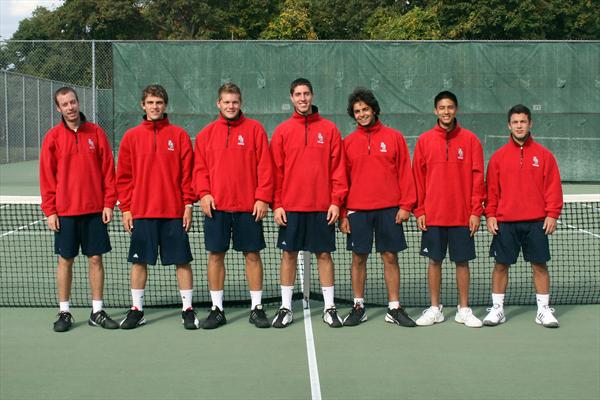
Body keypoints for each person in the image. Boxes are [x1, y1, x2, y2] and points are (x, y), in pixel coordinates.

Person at [116, 84, 198, 330]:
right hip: (142, 213)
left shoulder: (179, 135)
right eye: (150, 102)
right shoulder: (131, 137)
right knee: (139, 263)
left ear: (165, 105)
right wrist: (126, 209)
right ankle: (137, 310)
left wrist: (188, 204)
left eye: (159, 102)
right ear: (143, 105)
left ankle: (187, 309)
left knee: (182, 261)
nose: (155, 107)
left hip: (173, 212)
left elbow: (187, 175)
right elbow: (124, 177)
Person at [193, 83, 274, 329]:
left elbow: (265, 166)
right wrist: (204, 193)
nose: (231, 106)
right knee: (216, 256)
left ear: (241, 103)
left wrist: (262, 197)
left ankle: (257, 308)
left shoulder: (255, 130)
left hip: (248, 208)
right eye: (226, 102)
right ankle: (217, 309)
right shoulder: (206, 134)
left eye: (235, 102)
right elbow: (199, 169)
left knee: (252, 255)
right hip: (216, 208)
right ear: (218, 104)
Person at [270, 78, 348, 328]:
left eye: (306, 94)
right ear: (291, 98)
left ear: (312, 96)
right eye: (298, 94)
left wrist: (336, 202)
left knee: (324, 255)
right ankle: (285, 307)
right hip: (291, 208)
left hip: (322, 208)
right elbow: (276, 171)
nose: (302, 99)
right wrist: (278, 204)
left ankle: (329, 307)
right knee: (288, 254)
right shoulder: (282, 131)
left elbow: (338, 170)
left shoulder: (330, 130)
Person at [39, 86, 119, 332]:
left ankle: (97, 311)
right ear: (58, 108)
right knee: (66, 260)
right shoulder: (52, 137)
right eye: (65, 104)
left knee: (96, 259)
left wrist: (108, 203)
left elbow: (108, 171)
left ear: (78, 102)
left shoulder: (96, 132)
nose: (70, 107)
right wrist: (50, 210)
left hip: (95, 210)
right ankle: (64, 312)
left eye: (73, 102)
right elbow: (47, 176)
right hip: (65, 212)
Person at [339, 88, 417, 327]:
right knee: (358, 259)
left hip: (389, 209)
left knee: (390, 257)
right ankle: (358, 306)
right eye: (357, 111)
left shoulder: (394, 137)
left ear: (373, 109)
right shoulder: (348, 142)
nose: (362, 114)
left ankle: (394, 308)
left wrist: (406, 205)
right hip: (358, 211)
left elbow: (405, 173)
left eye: (365, 109)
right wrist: (343, 213)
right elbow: (343, 179)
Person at [483, 104, 563, 328]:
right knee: (500, 266)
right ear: (509, 125)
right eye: (515, 122)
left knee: (540, 265)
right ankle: (497, 310)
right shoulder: (498, 157)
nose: (519, 125)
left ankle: (543, 311)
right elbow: (492, 191)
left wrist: (552, 214)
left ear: (530, 124)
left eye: (523, 121)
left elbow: (553, 187)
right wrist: (490, 214)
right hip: (505, 223)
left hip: (536, 222)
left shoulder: (544, 155)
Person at [412, 91, 485, 328]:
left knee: (462, 262)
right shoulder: (424, 141)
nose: (446, 111)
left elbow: (477, 177)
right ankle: (435, 308)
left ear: (456, 109)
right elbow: (418, 178)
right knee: (434, 261)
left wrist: (475, 211)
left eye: (450, 107)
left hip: (462, 216)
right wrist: (420, 210)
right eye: (442, 107)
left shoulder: (471, 140)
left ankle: (464, 309)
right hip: (433, 215)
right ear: (435, 111)